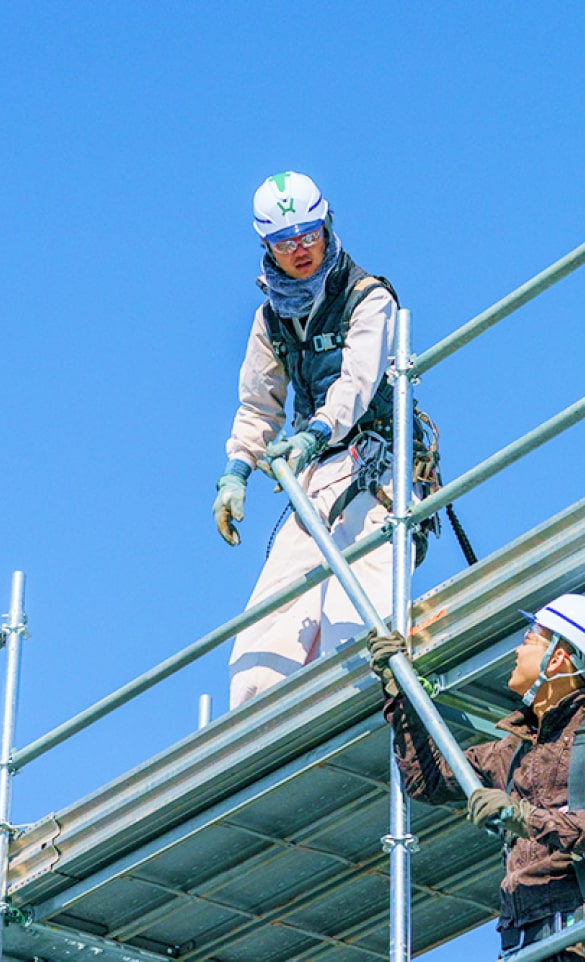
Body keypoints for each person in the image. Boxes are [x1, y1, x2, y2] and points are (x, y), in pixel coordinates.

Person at [370, 594, 585, 962]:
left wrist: (525, 818)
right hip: (523, 948)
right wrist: (400, 694)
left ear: (558, 657)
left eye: (529, 638)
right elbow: (426, 780)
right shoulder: (510, 752)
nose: (517, 650)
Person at [214, 171, 406, 709]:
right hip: (315, 473)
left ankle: (362, 714)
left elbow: (358, 381)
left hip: (377, 466)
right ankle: (256, 734)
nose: (300, 249)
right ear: (266, 247)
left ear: (327, 225)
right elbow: (259, 404)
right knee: (264, 649)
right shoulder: (271, 319)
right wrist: (237, 470)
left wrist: (316, 432)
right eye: (284, 240)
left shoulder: (368, 297)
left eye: (308, 234)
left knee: (354, 626)